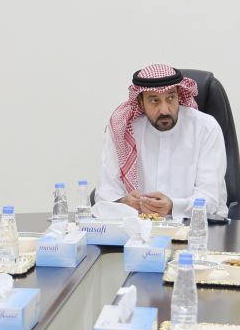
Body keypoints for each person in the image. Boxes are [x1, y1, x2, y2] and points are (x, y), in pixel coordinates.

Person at [97, 64, 227, 219]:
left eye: (171, 98)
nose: (165, 110)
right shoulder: (123, 130)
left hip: (196, 226)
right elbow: (104, 196)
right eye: (154, 100)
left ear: (179, 95)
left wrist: (173, 207)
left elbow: (211, 200)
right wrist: (124, 202)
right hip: (140, 227)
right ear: (140, 102)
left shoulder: (205, 128)